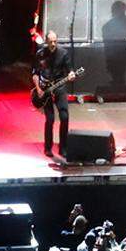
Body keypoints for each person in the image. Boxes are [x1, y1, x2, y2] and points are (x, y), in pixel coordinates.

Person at [33, 30, 76, 158]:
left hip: (59, 87)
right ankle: (48, 147)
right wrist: (38, 89)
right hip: (45, 88)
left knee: (64, 117)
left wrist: (71, 74)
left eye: (55, 41)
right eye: (50, 41)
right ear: (46, 41)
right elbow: (35, 73)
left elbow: (70, 70)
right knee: (50, 119)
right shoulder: (40, 54)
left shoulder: (63, 53)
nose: (53, 44)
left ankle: (63, 147)